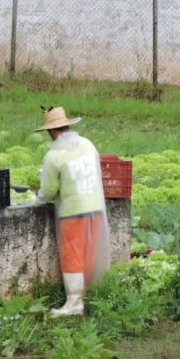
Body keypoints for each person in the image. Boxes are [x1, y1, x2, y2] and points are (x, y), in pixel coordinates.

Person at [35, 106, 110, 316]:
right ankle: (87, 295)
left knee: (72, 255)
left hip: (73, 211)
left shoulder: (53, 156)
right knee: (88, 253)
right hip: (95, 206)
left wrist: (38, 194)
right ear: (68, 125)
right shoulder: (87, 144)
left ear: (51, 132)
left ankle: (74, 303)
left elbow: (49, 191)